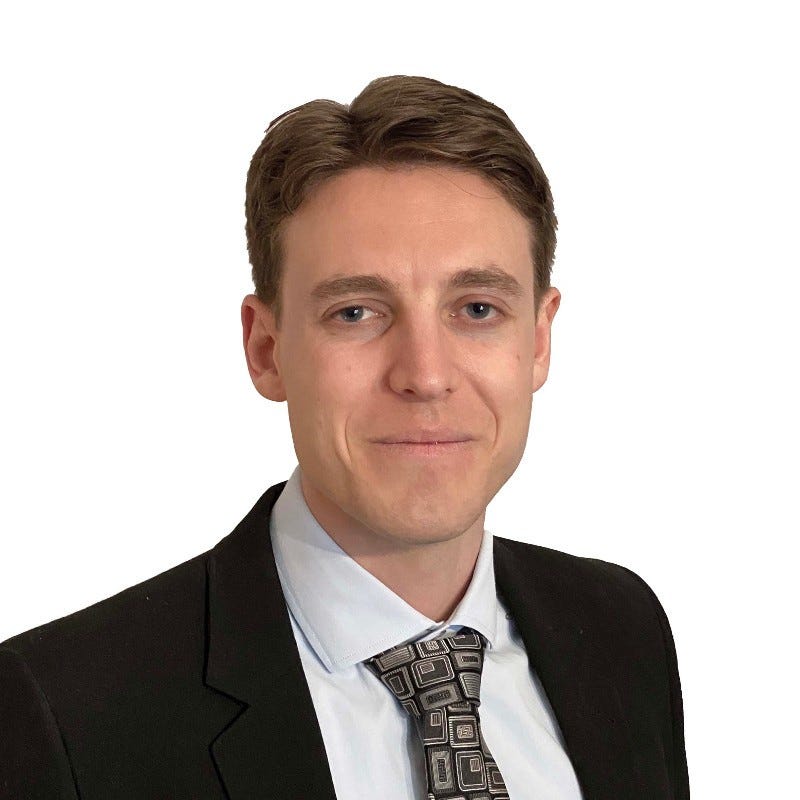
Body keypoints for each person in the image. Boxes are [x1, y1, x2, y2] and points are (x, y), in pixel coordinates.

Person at [0, 76, 689, 800]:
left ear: (539, 341)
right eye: (356, 312)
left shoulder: (621, 630)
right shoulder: (64, 714)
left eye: (477, 309)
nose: (425, 376)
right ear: (266, 349)